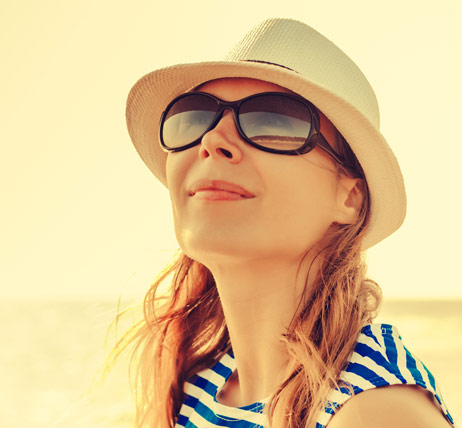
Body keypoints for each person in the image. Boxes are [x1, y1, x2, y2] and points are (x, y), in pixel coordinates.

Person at [116, 18, 456, 427]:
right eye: (194, 117)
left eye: (274, 121)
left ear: (350, 197)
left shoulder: (374, 410)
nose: (212, 140)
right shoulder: (196, 390)